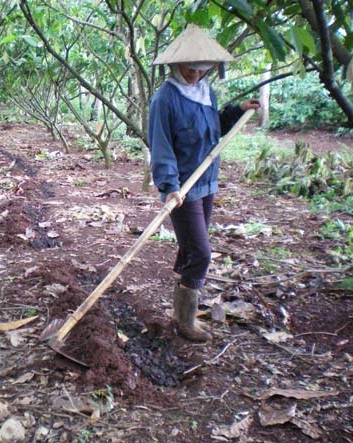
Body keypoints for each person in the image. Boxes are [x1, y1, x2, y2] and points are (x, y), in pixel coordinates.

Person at [148, 24, 260, 342]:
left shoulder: (206, 92)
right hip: (183, 187)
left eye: (201, 68)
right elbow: (161, 147)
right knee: (201, 253)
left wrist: (237, 112)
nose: (195, 74)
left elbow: (213, 130)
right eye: (189, 68)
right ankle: (185, 321)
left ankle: (178, 311)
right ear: (175, 65)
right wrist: (169, 186)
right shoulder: (165, 100)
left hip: (207, 182)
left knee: (190, 248)